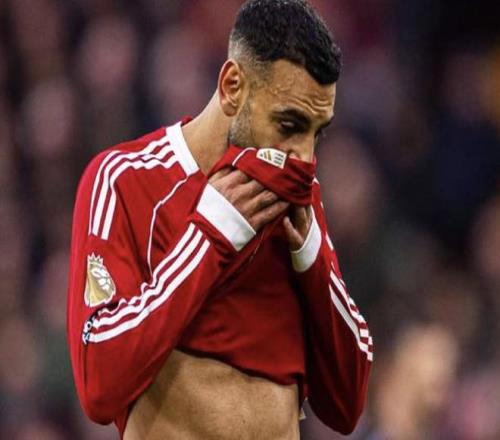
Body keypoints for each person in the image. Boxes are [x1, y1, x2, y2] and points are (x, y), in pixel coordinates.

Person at [67, 1, 373, 438]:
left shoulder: (296, 201)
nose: (305, 158)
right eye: (289, 124)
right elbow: (98, 381)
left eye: (316, 132)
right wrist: (210, 236)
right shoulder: (126, 180)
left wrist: (312, 260)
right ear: (232, 87)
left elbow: (346, 405)